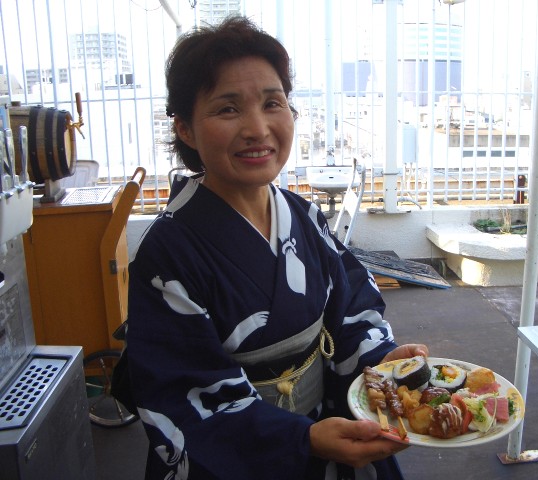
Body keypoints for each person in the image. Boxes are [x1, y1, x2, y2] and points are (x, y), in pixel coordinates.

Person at [125, 15, 429, 480]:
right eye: (228, 109)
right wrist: (300, 440)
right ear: (185, 128)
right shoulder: (168, 253)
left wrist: (379, 363)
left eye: (272, 103)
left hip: (327, 428)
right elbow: (182, 391)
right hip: (240, 457)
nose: (258, 128)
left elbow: (350, 307)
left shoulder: (302, 215)